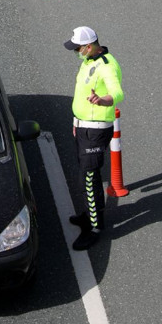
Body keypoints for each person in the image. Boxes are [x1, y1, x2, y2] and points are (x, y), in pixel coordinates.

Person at [63, 26, 124, 251]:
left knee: (88, 178)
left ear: (89, 46)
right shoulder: (88, 61)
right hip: (82, 127)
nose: (75, 52)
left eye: (78, 48)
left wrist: (103, 100)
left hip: (96, 130)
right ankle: (90, 214)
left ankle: (95, 227)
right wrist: (75, 123)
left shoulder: (107, 65)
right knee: (85, 176)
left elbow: (117, 93)